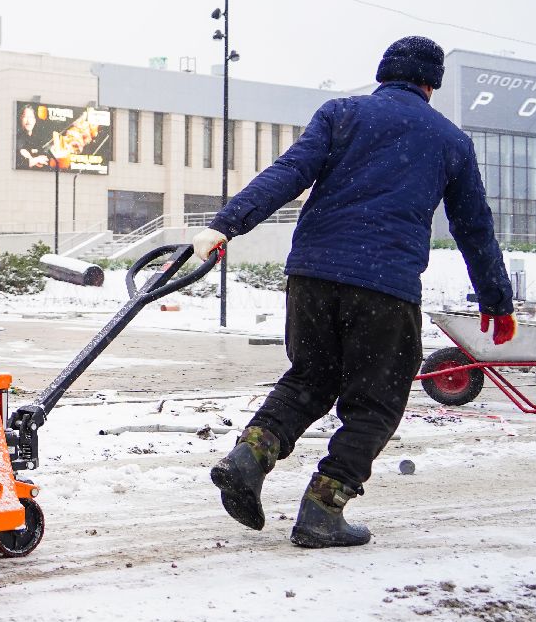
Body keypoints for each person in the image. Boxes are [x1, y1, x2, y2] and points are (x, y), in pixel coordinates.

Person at [196, 36, 514, 549]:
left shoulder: (342, 112)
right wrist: (496, 301)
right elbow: (473, 228)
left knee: (310, 379)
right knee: (376, 403)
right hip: (384, 285)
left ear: (384, 73)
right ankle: (323, 509)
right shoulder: (451, 141)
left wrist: (226, 225)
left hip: (313, 274)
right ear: (432, 83)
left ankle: (249, 456)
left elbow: (289, 173)